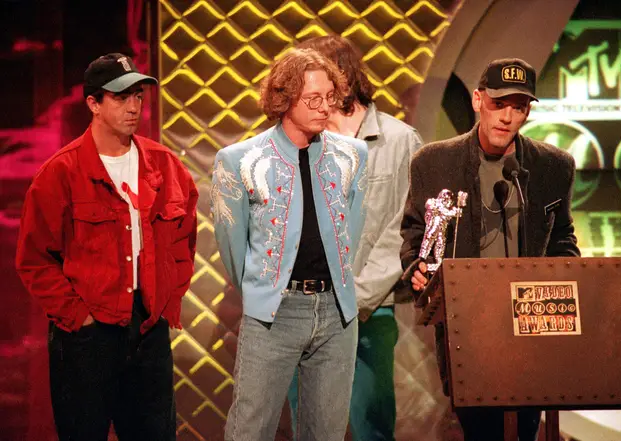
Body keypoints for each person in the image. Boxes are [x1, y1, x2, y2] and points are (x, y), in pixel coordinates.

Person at [15, 53, 198, 440]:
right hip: (86, 335)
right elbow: (34, 259)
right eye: (121, 96)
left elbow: (183, 237)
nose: (134, 106)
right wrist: (77, 316)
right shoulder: (60, 173)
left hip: (147, 328)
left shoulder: (164, 166)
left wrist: (166, 299)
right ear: (93, 104)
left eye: (138, 95)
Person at [400, 58, 580, 441]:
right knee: (479, 429)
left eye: (519, 107)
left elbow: (563, 238)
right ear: (479, 100)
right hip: (468, 322)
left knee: (528, 429)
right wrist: (416, 269)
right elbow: (417, 235)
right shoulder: (433, 163)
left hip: (533, 322)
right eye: (499, 104)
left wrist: (566, 286)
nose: (507, 117)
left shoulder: (554, 166)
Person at [211, 48, 368, 441]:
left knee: (326, 433)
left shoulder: (353, 155)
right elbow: (233, 248)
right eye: (313, 99)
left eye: (329, 97)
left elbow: (354, 231)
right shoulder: (241, 160)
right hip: (274, 313)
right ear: (284, 99)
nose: (324, 108)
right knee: (250, 429)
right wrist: (263, 290)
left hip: (337, 313)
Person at [287, 35, 422, 441]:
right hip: (304, 307)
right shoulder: (297, 141)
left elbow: (406, 227)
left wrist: (355, 299)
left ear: (340, 79)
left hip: (368, 309)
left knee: (372, 427)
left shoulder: (400, 141)